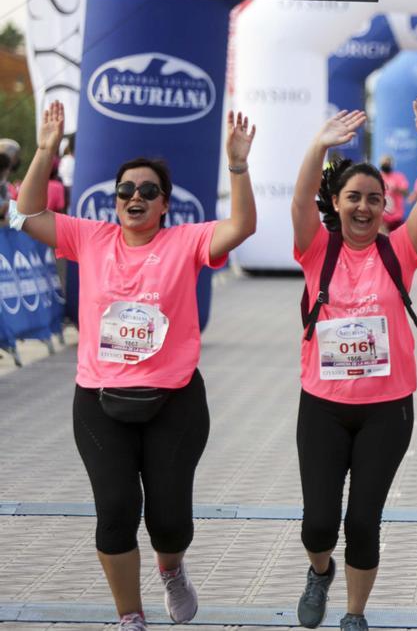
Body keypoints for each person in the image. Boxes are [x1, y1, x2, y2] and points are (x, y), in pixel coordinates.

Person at [13, 102, 258, 631]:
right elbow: (27, 215)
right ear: (114, 200)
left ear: (165, 203)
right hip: (99, 400)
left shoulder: (185, 241)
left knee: (169, 521)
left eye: (148, 190)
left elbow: (241, 225)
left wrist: (237, 166)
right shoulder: (91, 238)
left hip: (175, 401)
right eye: (126, 190)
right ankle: (131, 616)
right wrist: (45, 148)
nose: (135, 198)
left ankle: (171, 570)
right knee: (117, 510)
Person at [288, 103, 417, 631]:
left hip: (386, 410)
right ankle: (319, 571)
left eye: (374, 200)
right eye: (353, 197)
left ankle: (354, 614)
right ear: (335, 202)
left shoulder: (401, 250)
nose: (363, 207)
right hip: (324, 409)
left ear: (384, 207)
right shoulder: (317, 249)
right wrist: (318, 147)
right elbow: (298, 203)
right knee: (318, 525)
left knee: (363, 521)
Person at [378, 155, 409, 232]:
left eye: (388, 163)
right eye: (384, 163)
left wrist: (397, 189)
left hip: (396, 217)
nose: (386, 165)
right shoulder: (377, 177)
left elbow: (406, 193)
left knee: (396, 242)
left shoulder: (399, 177)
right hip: (381, 218)